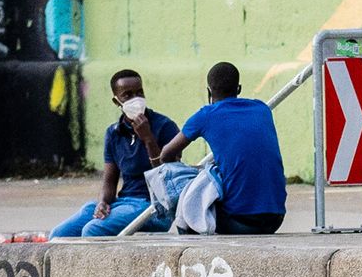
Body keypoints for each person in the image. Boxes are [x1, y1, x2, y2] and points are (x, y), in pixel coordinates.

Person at [162, 61, 290, 237]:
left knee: (192, 201)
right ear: (238, 88)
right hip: (276, 219)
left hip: (239, 221)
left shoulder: (205, 115)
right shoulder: (262, 109)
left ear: (208, 91)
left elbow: (166, 154)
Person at [53, 69, 183, 239]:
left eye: (139, 92)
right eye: (127, 95)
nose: (136, 99)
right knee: (61, 234)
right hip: (123, 203)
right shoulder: (114, 133)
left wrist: (148, 138)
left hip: (153, 206)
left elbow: (167, 178)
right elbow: (109, 180)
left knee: (93, 230)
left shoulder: (164, 126)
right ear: (117, 101)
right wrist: (104, 202)